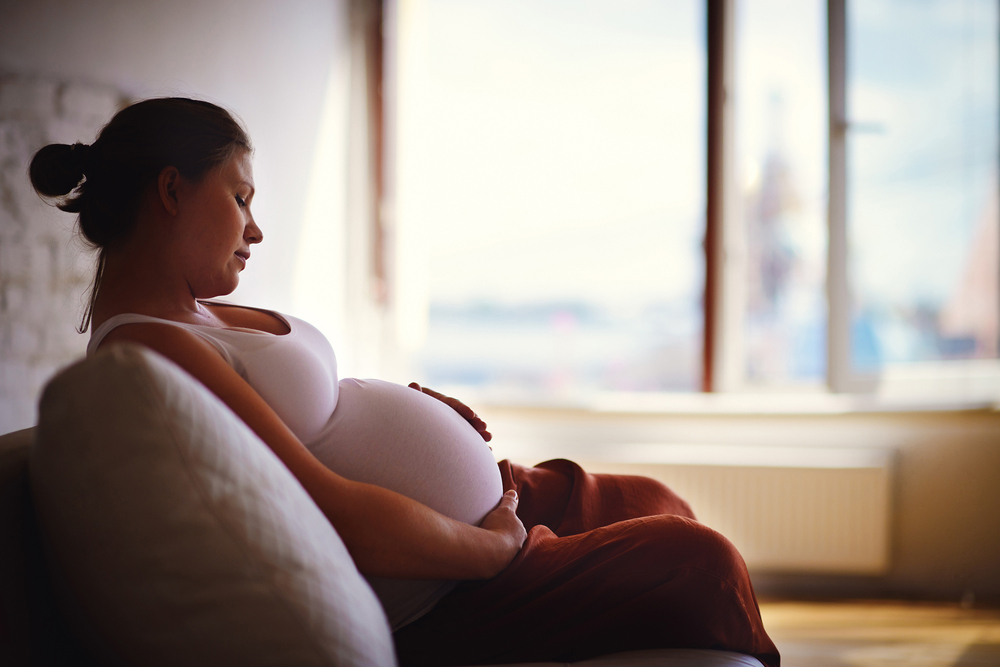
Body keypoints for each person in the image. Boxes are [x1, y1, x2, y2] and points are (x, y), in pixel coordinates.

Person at [30, 97, 779, 667]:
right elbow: (335, 509)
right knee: (701, 563)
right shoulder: (149, 357)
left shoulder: (196, 313)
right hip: (444, 587)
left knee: (657, 501)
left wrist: (417, 412)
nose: (254, 229)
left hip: (484, 499)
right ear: (170, 191)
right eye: (240, 197)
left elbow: (318, 415)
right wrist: (495, 548)